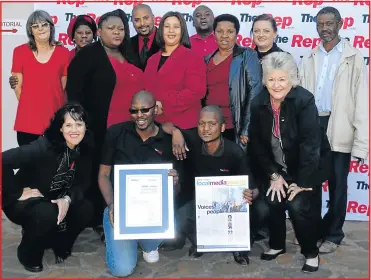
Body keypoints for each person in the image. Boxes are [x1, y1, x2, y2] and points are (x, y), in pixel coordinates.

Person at [249, 52, 331, 273]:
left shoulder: (304, 100)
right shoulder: (258, 103)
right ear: (265, 80)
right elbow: (256, 145)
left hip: (307, 166)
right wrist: (274, 175)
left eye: (282, 79)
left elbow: (311, 145)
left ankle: (311, 252)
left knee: (298, 205)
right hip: (277, 168)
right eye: (271, 79)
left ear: (292, 79)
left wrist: (302, 182)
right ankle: (277, 245)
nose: (276, 85)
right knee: (271, 201)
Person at [160, 105, 269, 266]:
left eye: (211, 124)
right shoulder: (192, 141)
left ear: (223, 127)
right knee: (182, 215)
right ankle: (202, 242)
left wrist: (250, 194)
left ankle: (240, 245)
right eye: (201, 123)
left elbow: (252, 187)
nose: (205, 129)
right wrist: (176, 132)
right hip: (203, 202)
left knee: (262, 210)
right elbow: (163, 126)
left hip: (230, 204)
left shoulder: (235, 152)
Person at [298, 6, 369, 254]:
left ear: (340, 24)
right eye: (320, 24)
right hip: (313, 126)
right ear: (316, 26)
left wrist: (362, 141)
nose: (325, 28)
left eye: (330, 23)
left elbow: (361, 100)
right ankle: (314, 230)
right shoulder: (309, 56)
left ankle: (334, 234)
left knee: (338, 184)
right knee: (312, 183)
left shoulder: (354, 57)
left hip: (340, 126)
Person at [66, 9, 142, 233]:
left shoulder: (129, 53)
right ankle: (100, 218)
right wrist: (80, 127)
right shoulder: (88, 54)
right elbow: (74, 93)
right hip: (99, 129)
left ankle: (127, 212)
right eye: (111, 28)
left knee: (123, 172)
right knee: (98, 174)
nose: (117, 32)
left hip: (129, 128)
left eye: (121, 28)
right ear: (99, 31)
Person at [2, 103, 94, 273]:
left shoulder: (85, 149)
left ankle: (58, 241)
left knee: (86, 208)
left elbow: (84, 183)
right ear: (60, 128)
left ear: (86, 127)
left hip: (54, 198)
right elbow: (3, 160)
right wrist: (18, 191)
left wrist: (67, 199)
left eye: (79, 124)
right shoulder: (43, 147)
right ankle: (27, 252)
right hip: (24, 203)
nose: (74, 130)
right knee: (46, 214)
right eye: (68, 125)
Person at [98, 90, 180, 277]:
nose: (139, 116)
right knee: (122, 269)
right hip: (121, 209)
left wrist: (174, 183)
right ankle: (125, 236)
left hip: (153, 211)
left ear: (155, 110)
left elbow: (175, 191)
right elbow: (103, 175)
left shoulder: (168, 140)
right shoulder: (116, 133)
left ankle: (147, 244)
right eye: (134, 111)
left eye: (145, 110)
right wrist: (112, 205)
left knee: (172, 221)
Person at [10, 10, 70, 146]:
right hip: (27, 122)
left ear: (51, 27)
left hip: (55, 119)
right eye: (35, 26)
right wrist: (33, 107)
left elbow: (63, 86)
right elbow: (18, 87)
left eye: (44, 24)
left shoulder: (63, 53)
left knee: (53, 164)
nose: (41, 29)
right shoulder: (19, 52)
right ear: (30, 31)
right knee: (29, 164)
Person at [204, 14, 262, 144]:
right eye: (220, 31)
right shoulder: (206, 59)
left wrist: (246, 129)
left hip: (234, 125)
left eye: (230, 31)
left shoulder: (247, 55)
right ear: (214, 33)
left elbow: (255, 92)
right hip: (209, 125)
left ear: (236, 34)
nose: (224, 35)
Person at [144, 11, 207, 130]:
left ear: (182, 31)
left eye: (176, 27)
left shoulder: (193, 58)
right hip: (154, 125)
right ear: (161, 30)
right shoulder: (152, 59)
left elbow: (196, 91)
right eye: (167, 26)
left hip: (183, 126)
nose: (171, 31)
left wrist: (164, 104)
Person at [130, 4, 160, 70]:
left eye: (146, 18)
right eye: (137, 20)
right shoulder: (128, 44)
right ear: (132, 22)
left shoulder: (166, 41)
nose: (142, 23)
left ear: (153, 19)